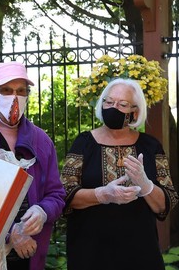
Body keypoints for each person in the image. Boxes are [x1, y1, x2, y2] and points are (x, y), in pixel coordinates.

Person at [61, 78, 179, 270]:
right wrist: (102, 195)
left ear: (135, 111)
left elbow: (166, 204)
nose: (113, 108)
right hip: (90, 253)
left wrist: (146, 184)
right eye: (108, 102)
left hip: (140, 255)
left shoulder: (150, 146)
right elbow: (64, 194)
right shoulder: (84, 143)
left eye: (122, 104)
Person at [0, 61, 66, 270]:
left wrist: (42, 211)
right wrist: (9, 233)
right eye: (7, 90)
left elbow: (56, 194)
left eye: (21, 91)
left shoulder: (41, 141)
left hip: (29, 253)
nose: (15, 97)